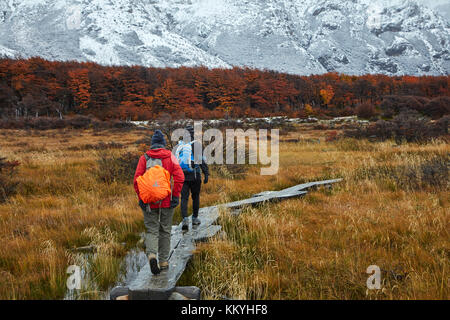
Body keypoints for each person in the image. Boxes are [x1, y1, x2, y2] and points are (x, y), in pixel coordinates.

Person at [133, 130, 185, 275]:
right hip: (167, 201)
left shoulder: (144, 158)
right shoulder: (170, 157)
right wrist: (175, 196)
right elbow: (180, 177)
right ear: (163, 144)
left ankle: (151, 255)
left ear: (152, 144)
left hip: (149, 202)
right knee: (165, 230)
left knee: (152, 230)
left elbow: (136, 180)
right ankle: (163, 262)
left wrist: (142, 198)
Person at [176, 125, 209, 231]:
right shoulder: (196, 145)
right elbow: (202, 161)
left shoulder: (179, 146)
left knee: (184, 198)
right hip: (195, 176)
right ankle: (195, 218)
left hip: (182, 176)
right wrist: (206, 173)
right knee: (195, 197)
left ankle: (185, 219)